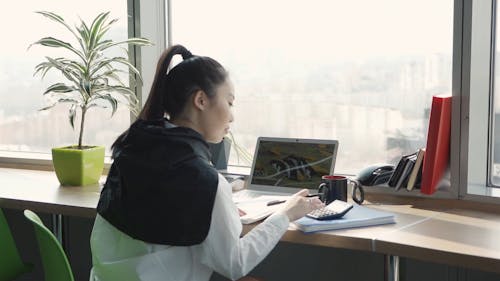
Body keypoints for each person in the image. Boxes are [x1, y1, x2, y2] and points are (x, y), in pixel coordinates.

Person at [89, 44, 324, 281]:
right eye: (229, 102)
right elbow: (235, 264)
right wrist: (285, 214)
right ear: (201, 100)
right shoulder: (204, 181)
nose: (231, 115)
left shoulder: (131, 151)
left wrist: (221, 205)